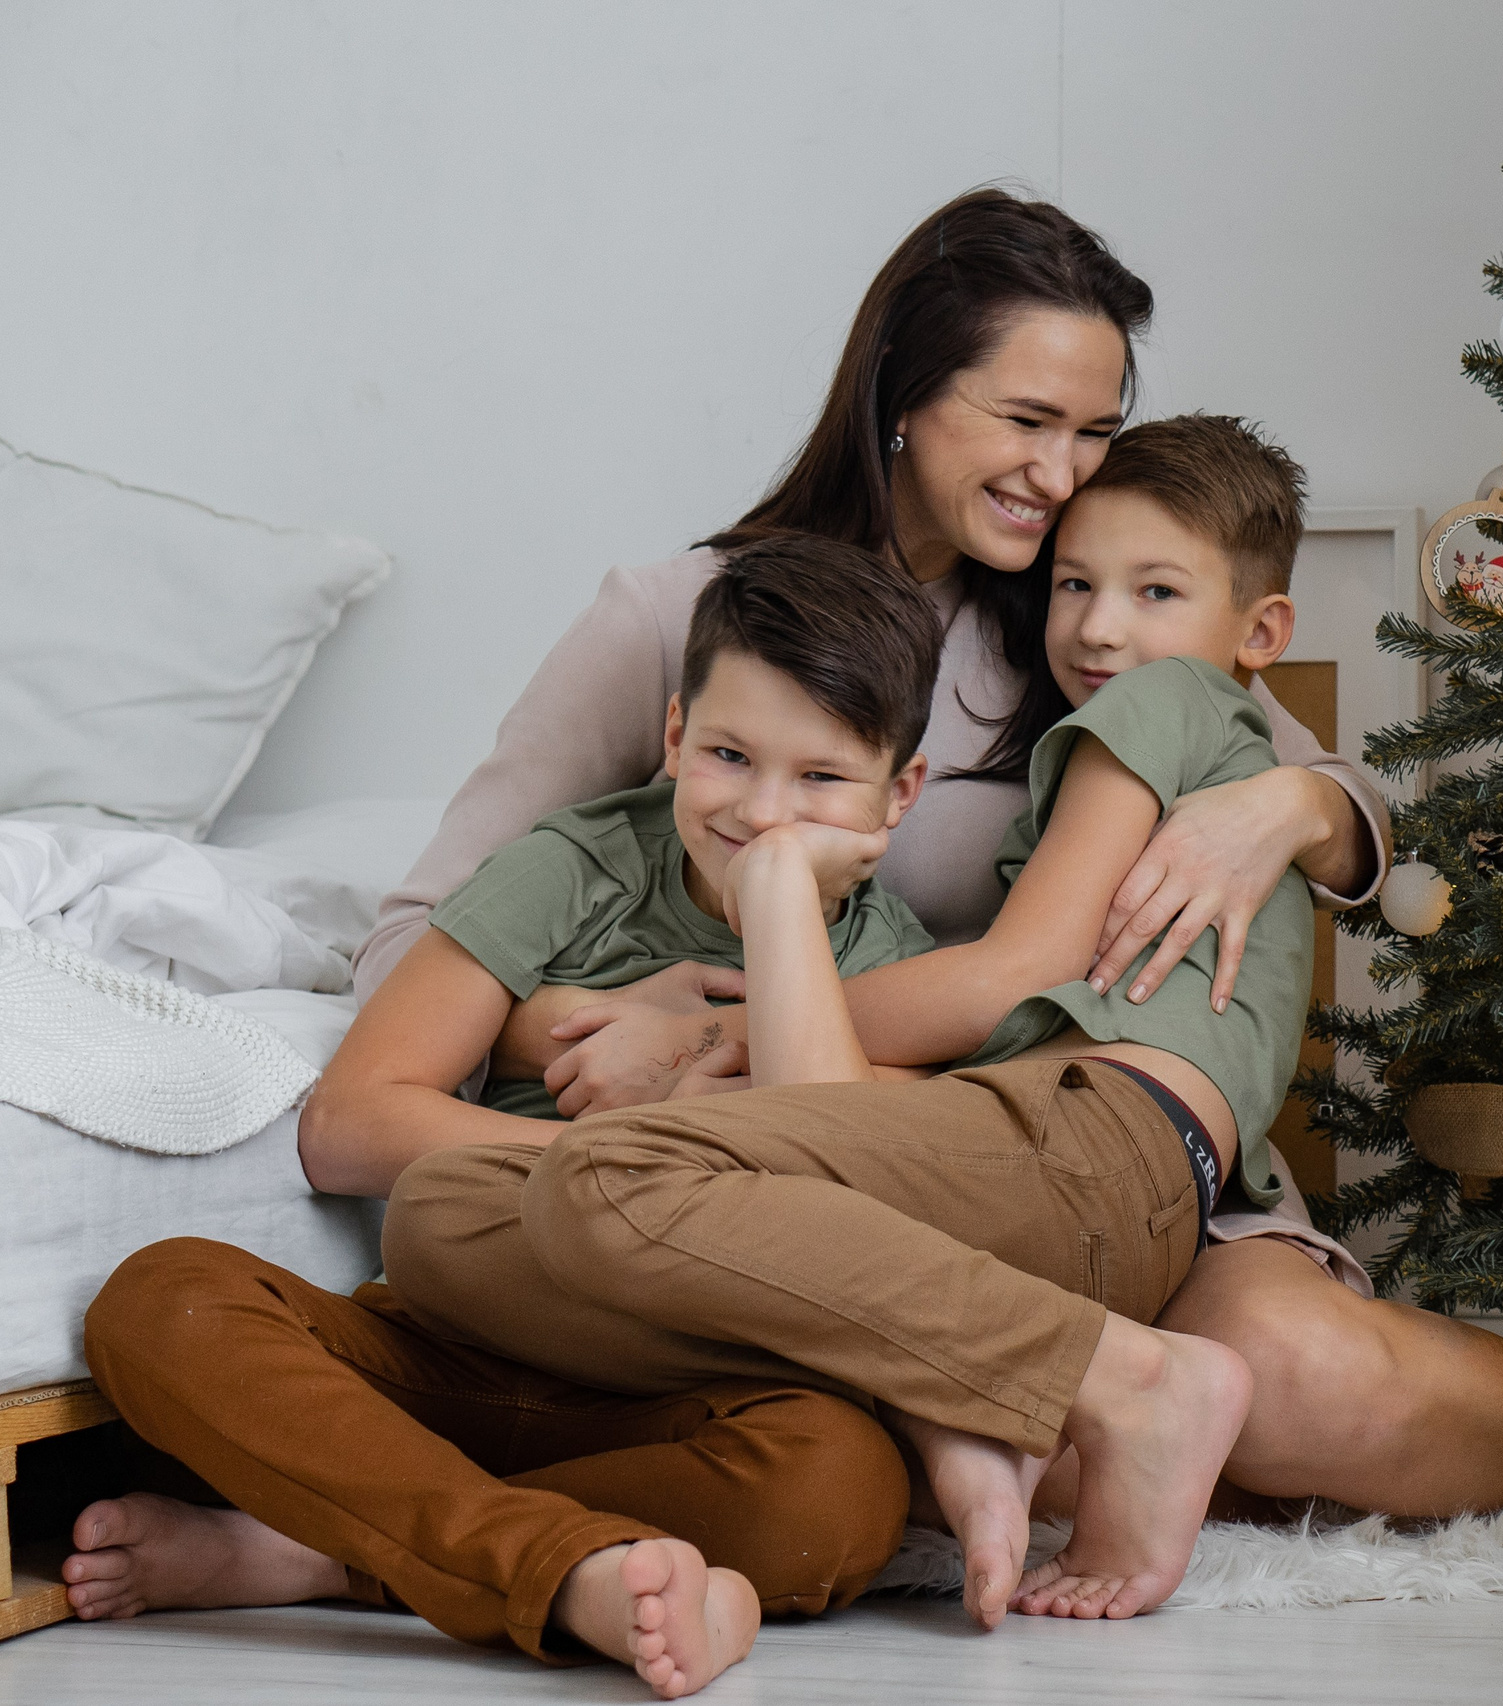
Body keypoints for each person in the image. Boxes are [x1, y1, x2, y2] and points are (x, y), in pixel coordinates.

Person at [358, 189, 1503, 1547]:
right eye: (1027, 422)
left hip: (1077, 1153)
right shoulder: (682, 621)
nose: (1065, 475)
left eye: (1096, 430)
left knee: (1305, 1374)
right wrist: (642, 1040)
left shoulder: (1084, 618)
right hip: (797, 1167)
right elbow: (409, 944)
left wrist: (1286, 801)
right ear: (902, 393)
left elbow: (1356, 816)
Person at [379, 414, 1327, 1632]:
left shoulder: (1163, 701)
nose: (1098, 624)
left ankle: (1123, 1383)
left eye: (1150, 589)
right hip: (1033, 1131)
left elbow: (1003, 979)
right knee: (440, 1216)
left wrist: (719, 1019)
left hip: (1101, 1131)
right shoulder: (650, 713)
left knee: (612, 1176)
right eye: (1077, 585)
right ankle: (950, 1398)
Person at [62, 537, 949, 1699]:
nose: (763, 816)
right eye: (730, 754)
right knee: (163, 1299)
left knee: (836, 1489)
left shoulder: (891, 962)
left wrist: (781, 906)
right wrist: (617, 1165)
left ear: (902, 793)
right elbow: (352, 1121)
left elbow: (834, 1176)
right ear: (675, 733)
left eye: (821, 780)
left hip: (673, 1391)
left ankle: (342, 1549)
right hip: (453, 1339)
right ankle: (542, 1556)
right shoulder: (574, 865)